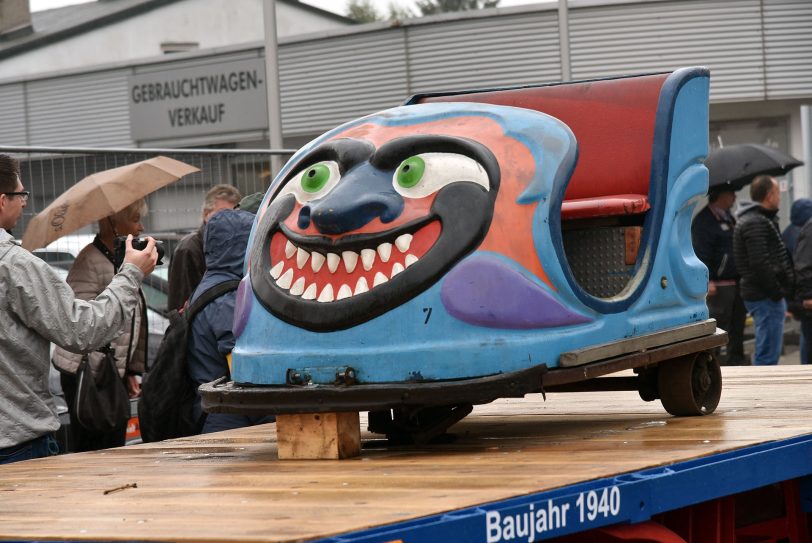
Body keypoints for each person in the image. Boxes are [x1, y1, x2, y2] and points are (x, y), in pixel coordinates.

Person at [0, 154, 158, 464]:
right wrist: (131, 274)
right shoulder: (15, 266)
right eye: (21, 194)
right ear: (2, 200)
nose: (24, 203)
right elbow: (80, 329)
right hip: (18, 442)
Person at [51, 199, 150, 452]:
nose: (140, 227)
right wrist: (110, 368)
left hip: (108, 372)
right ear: (113, 222)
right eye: (135, 219)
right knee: (96, 448)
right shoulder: (90, 261)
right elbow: (79, 322)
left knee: (113, 445)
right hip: (88, 375)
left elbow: (131, 319)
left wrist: (128, 370)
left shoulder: (120, 261)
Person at [187, 209, 273, 433]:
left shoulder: (210, 285)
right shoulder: (226, 300)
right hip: (231, 421)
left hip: (218, 415)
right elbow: (244, 374)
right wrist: (270, 420)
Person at [733, 175, 794, 366]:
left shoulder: (759, 220)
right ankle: (762, 393)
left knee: (768, 349)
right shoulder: (755, 222)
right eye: (777, 193)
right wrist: (777, 292)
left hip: (765, 295)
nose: (779, 197)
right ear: (769, 196)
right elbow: (760, 264)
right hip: (765, 296)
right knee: (767, 353)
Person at [691, 186, 747, 365]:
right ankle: (712, 364)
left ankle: (736, 361)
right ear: (720, 195)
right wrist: (708, 280)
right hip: (719, 285)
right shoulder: (704, 221)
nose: (734, 196)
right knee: (718, 325)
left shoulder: (730, 218)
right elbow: (701, 252)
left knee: (737, 326)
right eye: (731, 193)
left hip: (736, 282)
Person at [167, 184, 242, 311]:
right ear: (206, 214)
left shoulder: (232, 246)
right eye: (224, 213)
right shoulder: (189, 248)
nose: (230, 219)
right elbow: (180, 305)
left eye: (235, 214)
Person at [783, 198, 812, 364]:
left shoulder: (791, 232)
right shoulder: (807, 231)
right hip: (804, 297)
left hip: (798, 295)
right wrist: (807, 297)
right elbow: (804, 267)